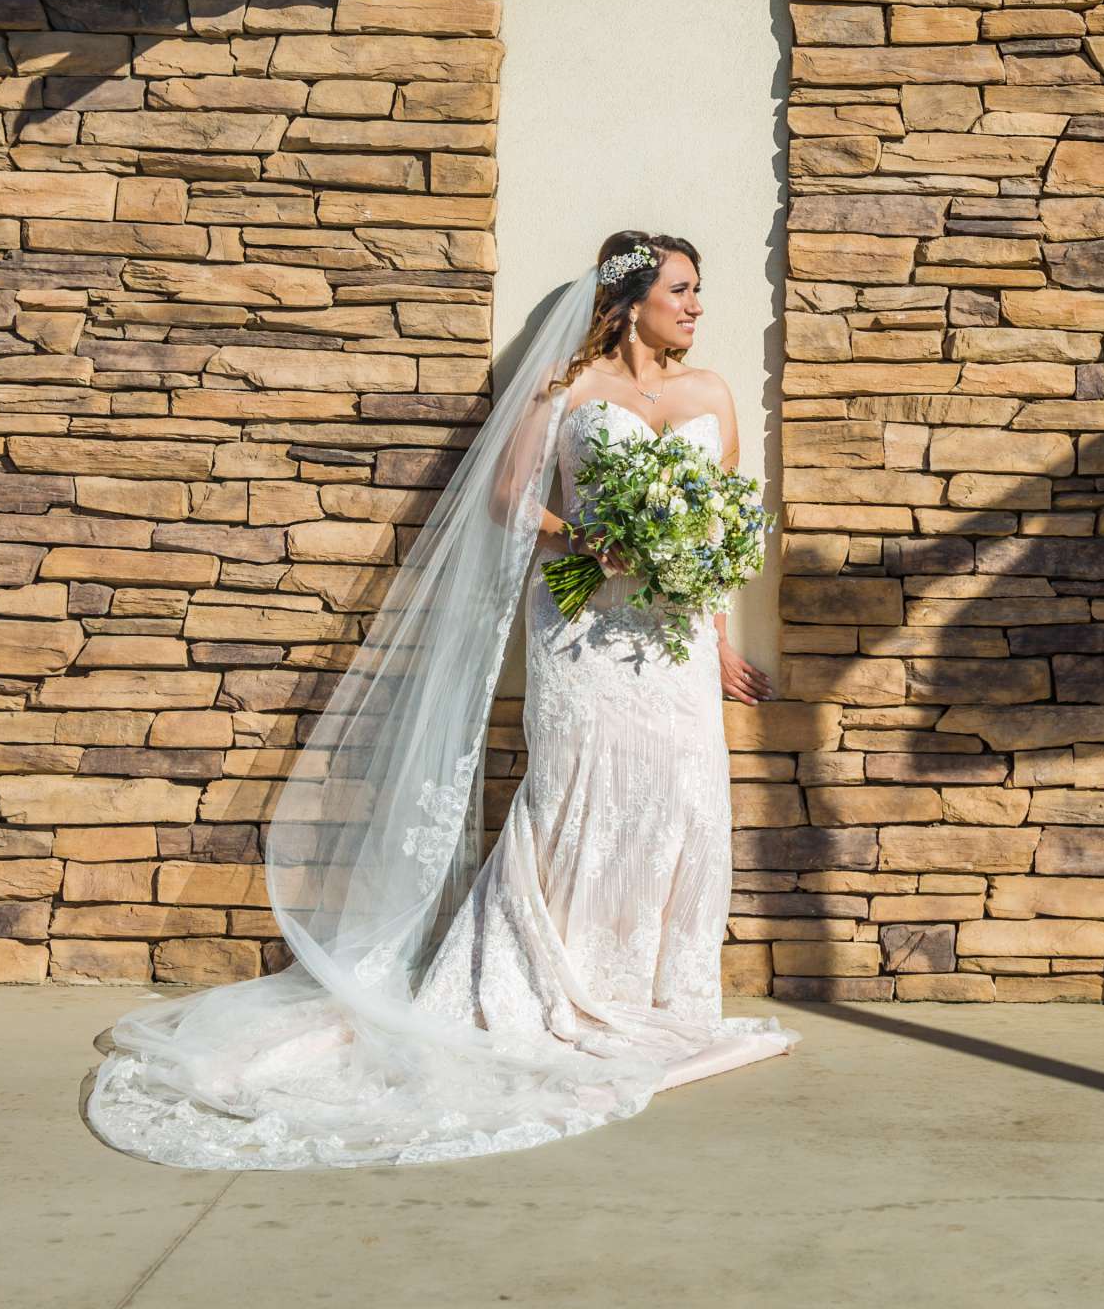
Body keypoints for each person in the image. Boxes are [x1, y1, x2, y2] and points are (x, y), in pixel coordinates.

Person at [85, 231, 792, 1169]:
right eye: (683, 290)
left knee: (679, 801)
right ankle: (550, 983)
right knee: (573, 800)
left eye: (699, 292)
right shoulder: (565, 392)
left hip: (665, 645)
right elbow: (509, 500)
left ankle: (653, 991)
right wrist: (590, 544)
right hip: (581, 635)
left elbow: (718, 533)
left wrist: (719, 649)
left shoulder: (711, 396)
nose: (698, 308)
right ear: (629, 301)